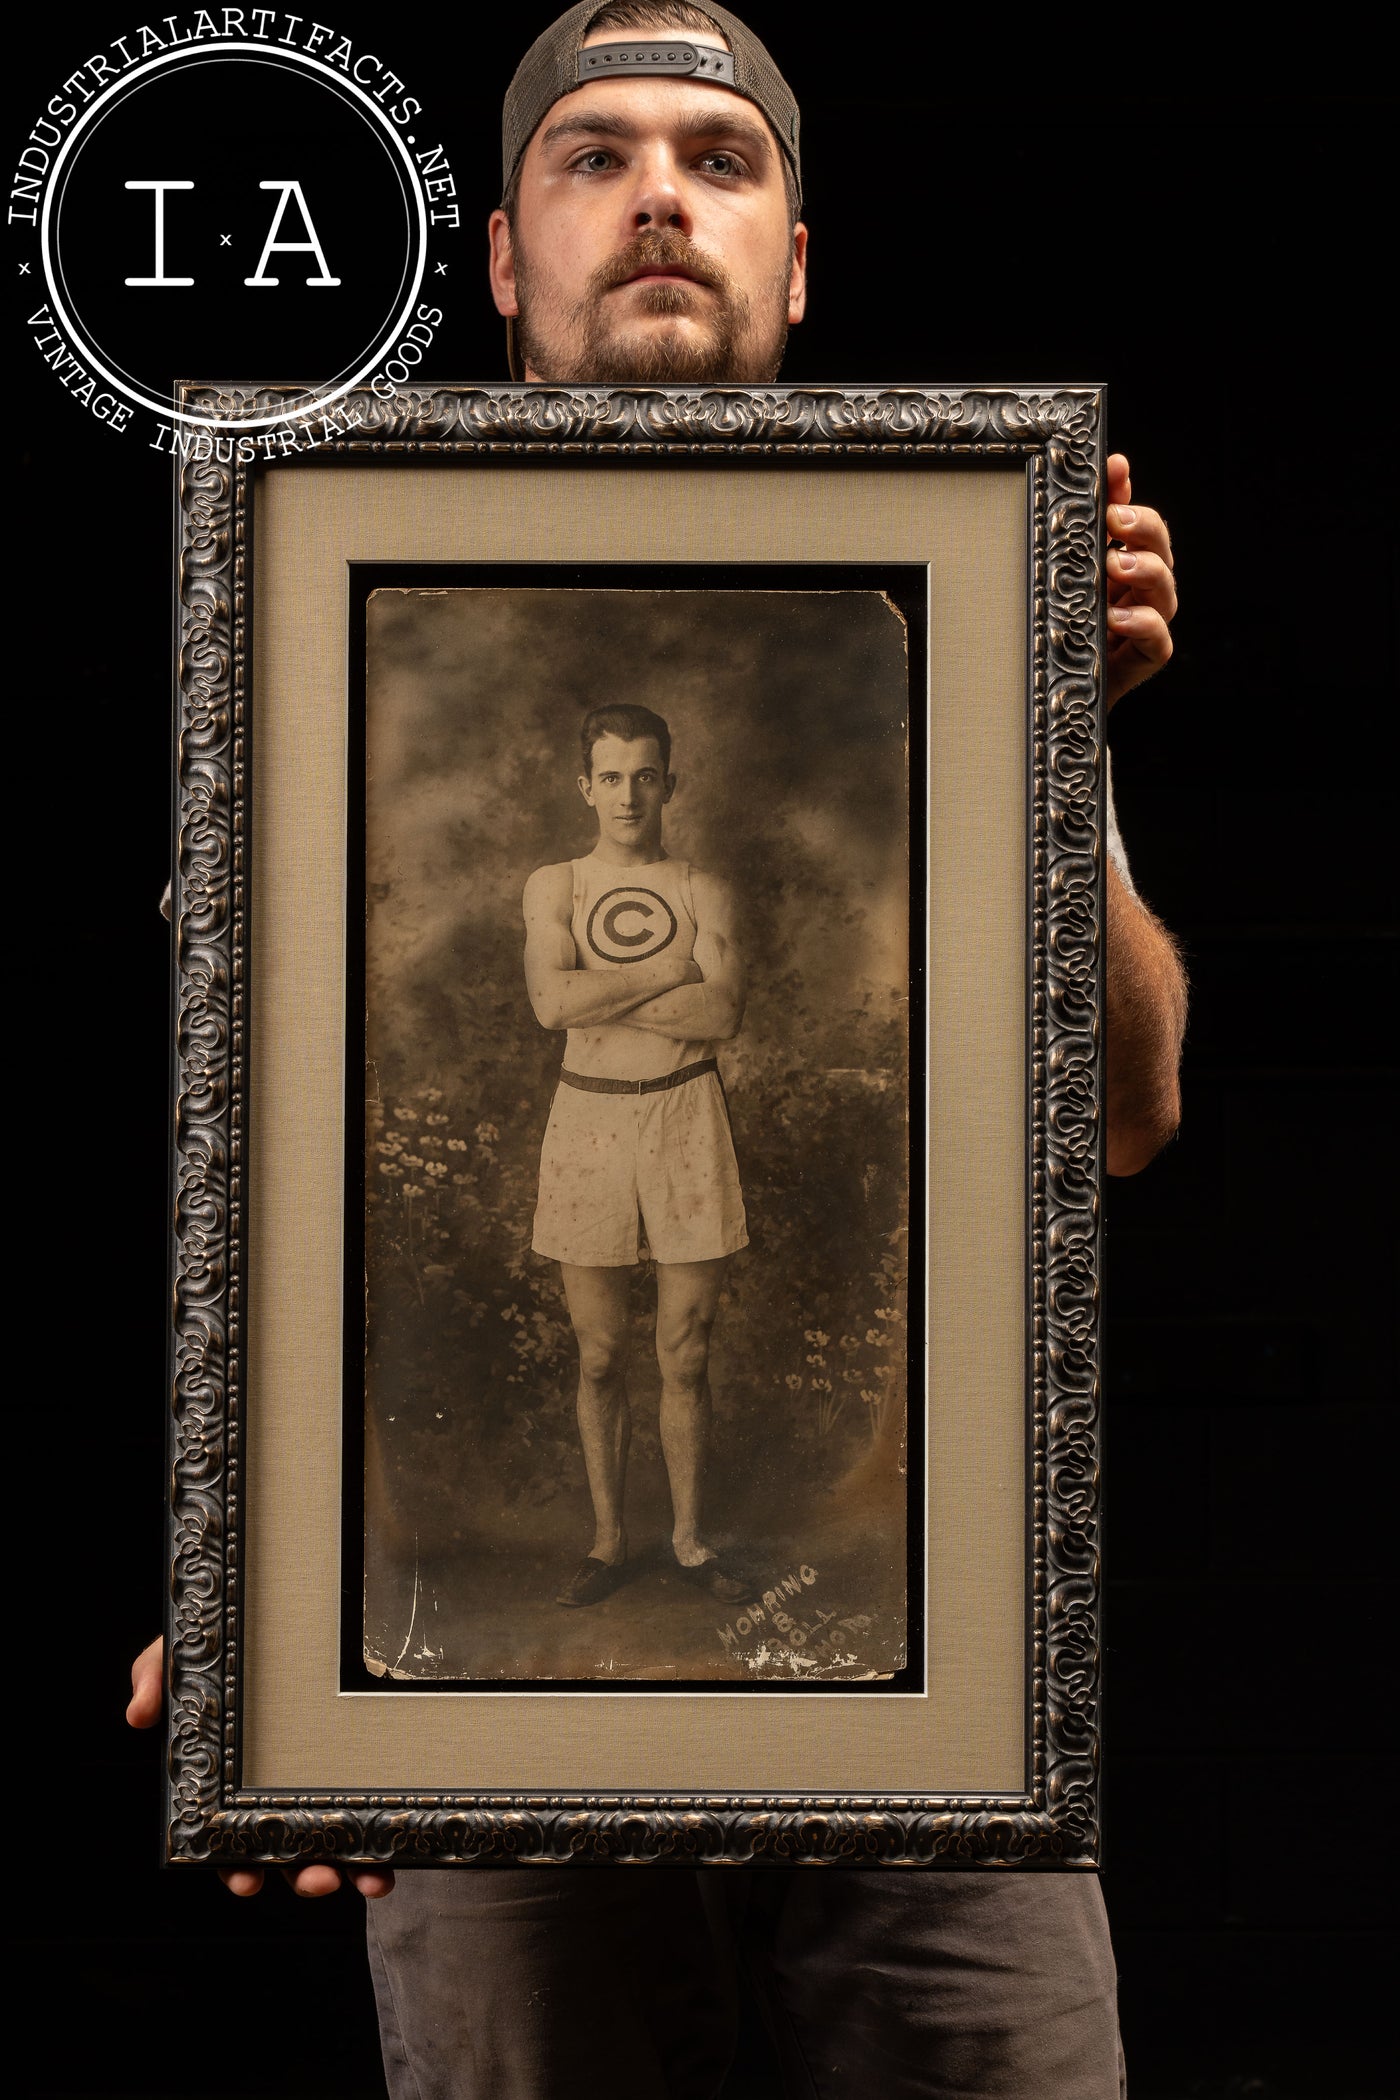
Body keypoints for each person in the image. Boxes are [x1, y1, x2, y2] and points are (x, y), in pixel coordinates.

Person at [131, 3, 1187, 2091]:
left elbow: (1132, 1116)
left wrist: (1054, 744)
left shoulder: (947, 601)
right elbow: (288, 1139)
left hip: (925, 1671)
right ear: (503, 256)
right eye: (592, 155)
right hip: (489, 1690)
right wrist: (258, 1584)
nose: (657, 200)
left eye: (717, 158)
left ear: (795, 255)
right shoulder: (346, 617)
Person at [525, 702, 750, 1607]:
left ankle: (690, 1541)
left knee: (685, 1353)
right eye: (610, 777)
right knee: (600, 1354)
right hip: (589, 1120)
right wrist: (667, 971)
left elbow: (723, 1016)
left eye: (645, 775)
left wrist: (597, 990)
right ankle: (610, 1540)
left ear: (670, 783)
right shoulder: (556, 885)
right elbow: (550, 1006)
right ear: (587, 787)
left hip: (687, 1116)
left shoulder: (705, 888)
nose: (628, 795)